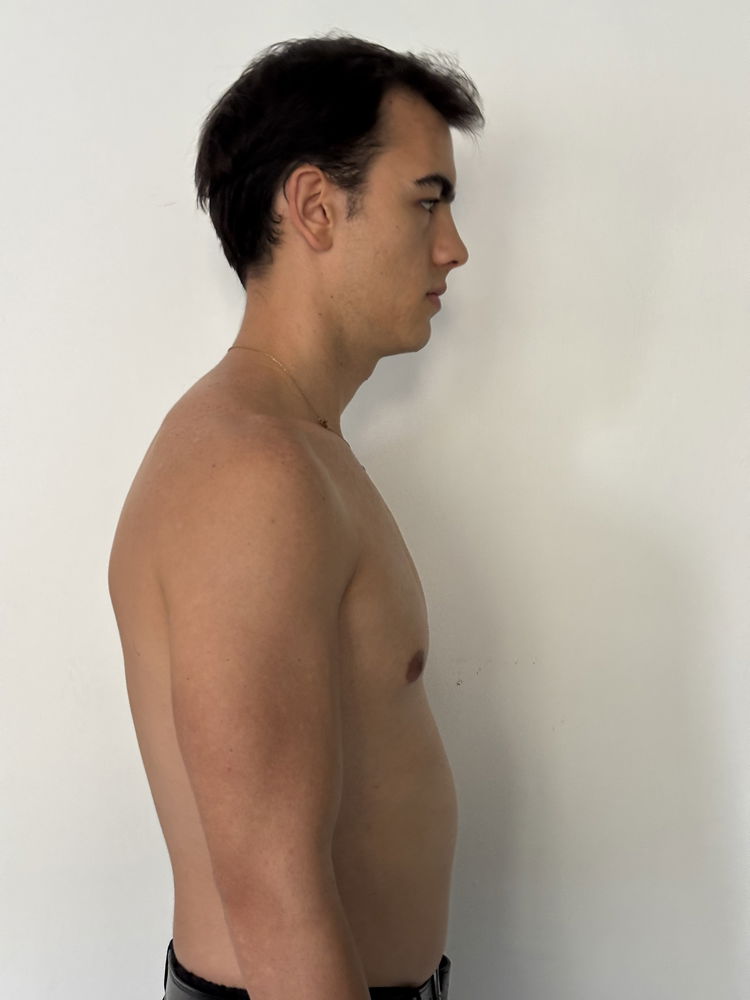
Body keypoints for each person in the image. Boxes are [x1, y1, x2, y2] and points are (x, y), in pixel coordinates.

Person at [107, 30, 484, 1000]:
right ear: (315, 206)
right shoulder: (254, 475)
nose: (454, 247)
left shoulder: (292, 450)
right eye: (428, 200)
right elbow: (272, 892)